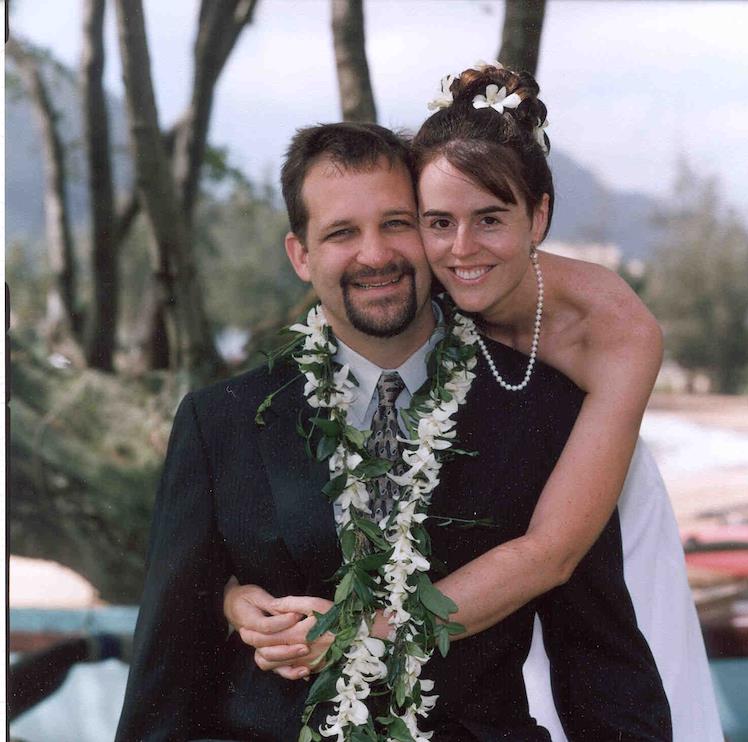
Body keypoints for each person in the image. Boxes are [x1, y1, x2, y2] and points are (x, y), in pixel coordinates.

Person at [117, 120, 670, 741]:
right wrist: (226, 600)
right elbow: (166, 663)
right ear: (301, 255)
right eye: (342, 233)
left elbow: (599, 658)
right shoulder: (221, 421)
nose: (375, 255)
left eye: (396, 224)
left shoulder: (540, 409)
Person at [224, 65, 721, 741]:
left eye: (490, 219)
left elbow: (550, 553)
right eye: (438, 222)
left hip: (592, 495)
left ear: (537, 216)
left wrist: (361, 634)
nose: (461, 250)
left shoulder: (616, 329)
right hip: (477, 500)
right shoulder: (416, 273)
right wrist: (235, 597)